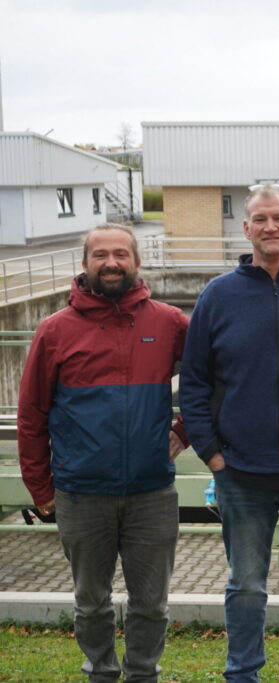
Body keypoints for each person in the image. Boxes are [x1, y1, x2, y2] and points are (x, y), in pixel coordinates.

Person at [178, 183, 279, 682]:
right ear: (246, 228)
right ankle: (243, 674)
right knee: (246, 586)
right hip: (240, 473)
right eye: (260, 219)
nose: (270, 227)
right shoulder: (218, 295)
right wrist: (211, 452)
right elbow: (195, 381)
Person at [18, 223, 189, 681]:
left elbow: (214, 379)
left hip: (151, 492)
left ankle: (142, 674)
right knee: (90, 603)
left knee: (151, 603)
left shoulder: (169, 322)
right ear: (85, 263)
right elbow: (32, 413)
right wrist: (41, 486)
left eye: (120, 254)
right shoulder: (54, 331)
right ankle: (100, 673)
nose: (111, 263)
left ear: (136, 261)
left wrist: (185, 430)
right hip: (80, 493)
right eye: (100, 255)